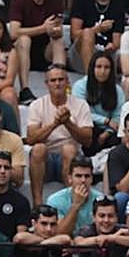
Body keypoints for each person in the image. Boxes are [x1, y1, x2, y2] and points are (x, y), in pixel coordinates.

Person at [27, 64, 93, 207]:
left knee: (68, 149)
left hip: (70, 158)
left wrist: (68, 123)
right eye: (53, 80)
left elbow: (88, 140)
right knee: (38, 149)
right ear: (46, 84)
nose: (57, 83)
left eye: (61, 79)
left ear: (68, 82)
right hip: (46, 161)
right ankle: (38, 204)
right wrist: (55, 124)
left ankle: (70, 202)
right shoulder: (37, 105)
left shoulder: (80, 105)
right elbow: (31, 139)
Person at [7, 0, 67, 106]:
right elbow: (14, 32)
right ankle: (25, 90)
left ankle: (62, 88)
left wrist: (54, 30)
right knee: (24, 39)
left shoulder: (55, 2)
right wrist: (43, 28)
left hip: (44, 52)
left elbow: (56, 30)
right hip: (22, 52)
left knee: (58, 40)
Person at [68, 0, 126, 75]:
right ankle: (90, 78)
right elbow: (74, 34)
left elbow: (117, 41)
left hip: (105, 55)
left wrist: (112, 47)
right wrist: (97, 29)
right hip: (79, 54)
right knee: (87, 33)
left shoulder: (118, 5)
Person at [48, 156, 104, 235]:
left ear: (92, 179)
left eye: (87, 176)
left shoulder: (100, 199)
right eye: (78, 176)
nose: (83, 180)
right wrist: (76, 205)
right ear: (70, 178)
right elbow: (60, 233)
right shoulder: (55, 200)